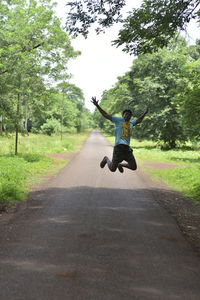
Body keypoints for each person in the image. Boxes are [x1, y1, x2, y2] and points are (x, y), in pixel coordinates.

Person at [91, 96, 148, 173]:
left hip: (127, 148)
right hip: (118, 148)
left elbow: (139, 120)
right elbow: (105, 115)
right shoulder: (118, 120)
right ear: (123, 115)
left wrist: (145, 113)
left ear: (131, 117)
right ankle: (106, 159)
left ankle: (120, 165)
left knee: (133, 167)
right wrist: (97, 105)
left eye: (129, 115)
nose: (127, 115)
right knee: (112, 169)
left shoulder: (131, 123)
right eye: (126, 114)